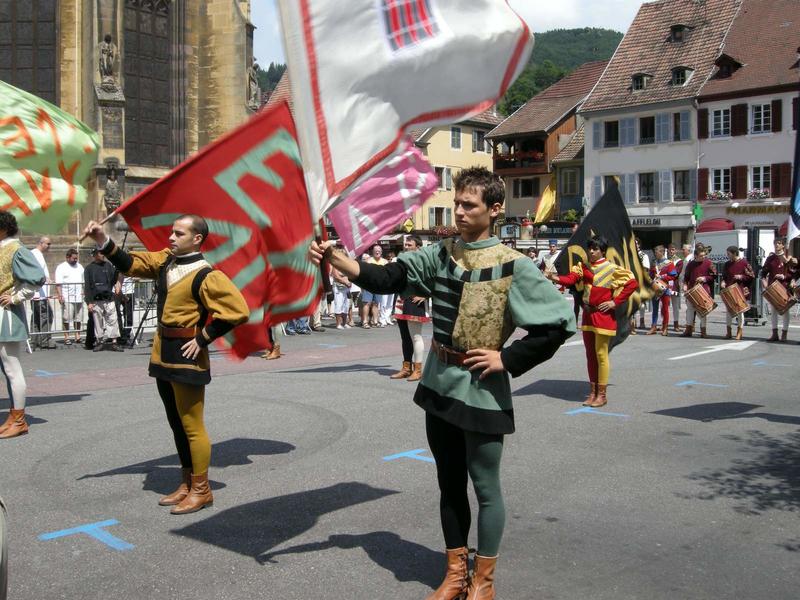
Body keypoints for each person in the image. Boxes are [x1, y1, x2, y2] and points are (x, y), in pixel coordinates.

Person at [310, 166, 575, 599]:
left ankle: (482, 583)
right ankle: (455, 573)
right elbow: (387, 278)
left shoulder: (515, 265)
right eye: (457, 203)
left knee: (485, 487)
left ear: (494, 209)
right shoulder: (441, 253)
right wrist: (338, 259)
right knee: (449, 483)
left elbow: (558, 326)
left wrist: (507, 358)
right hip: (439, 383)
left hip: (483, 390)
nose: (459, 211)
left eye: (469, 205)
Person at [83, 215, 249, 514]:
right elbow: (130, 263)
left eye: (178, 233)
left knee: (192, 425)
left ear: (197, 238)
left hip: (187, 354)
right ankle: (186, 483)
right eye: (172, 232)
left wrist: (203, 338)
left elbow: (237, 310)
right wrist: (101, 239)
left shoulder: (207, 274)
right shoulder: (165, 262)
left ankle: (202, 489)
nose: (170, 237)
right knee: (176, 423)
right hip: (162, 351)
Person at [549, 236, 638, 408]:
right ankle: (592, 392)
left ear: (602, 251)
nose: (591, 251)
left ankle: (602, 395)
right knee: (590, 355)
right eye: (590, 248)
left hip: (604, 316)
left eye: (595, 249)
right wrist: (552, 277)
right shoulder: (583, 266)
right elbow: (570, 280)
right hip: (588, 315)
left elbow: (632, 283)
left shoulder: (612, 268)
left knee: (601, 355)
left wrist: (614, 302)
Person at [0, 211, 46, 439]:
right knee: (7, 370)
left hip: (6, 316)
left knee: (12, 369)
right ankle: (13, 416)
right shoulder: (4, 247)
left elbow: (37, 277)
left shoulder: (16, 249)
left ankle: (18, 420)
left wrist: (16, 297)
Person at [388, 235, 430, 382]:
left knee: (416, 337)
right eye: (405, 244)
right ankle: (406, 368)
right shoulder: (401, 260)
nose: (406, 247)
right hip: (401, 300)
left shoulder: (424, 261)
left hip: (414, 301)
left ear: (418, 246)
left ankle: (418, 370)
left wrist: (426, 295)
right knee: (405, 337)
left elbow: (433, 278)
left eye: (410, 245)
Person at [84, 248, 124, 352]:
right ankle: (100, 341)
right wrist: (89, 302)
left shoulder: (108, 266)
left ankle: (114, 342)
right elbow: (87, 287)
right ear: (95, 255)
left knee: (112, 320)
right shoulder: (89, 268)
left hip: (109, 298)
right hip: (96, 300)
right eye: (101, 253)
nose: (103, 255)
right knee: (98, 322)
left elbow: (114, 279)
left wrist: (117, 275)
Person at [760, 237, 798, 342]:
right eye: (775, 243)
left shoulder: (788, 258)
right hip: (773, 287)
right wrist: (763, 280)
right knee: (774, 311)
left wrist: (785, 277)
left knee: (785, 311)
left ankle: (784, 334)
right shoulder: (770, 258)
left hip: (785, 287)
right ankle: (774, 333)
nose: (777, 245)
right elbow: (763, 272)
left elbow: (794, 273)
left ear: (783, 245)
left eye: (779, 243)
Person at [681, 243, 717, 339]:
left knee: (702, 311)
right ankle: (688, 329)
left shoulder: (708, 263)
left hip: (703, 290)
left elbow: (714, 276)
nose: (703, 257)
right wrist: (685, 285)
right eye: (701, 256)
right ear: (696, 256)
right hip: (692, 289)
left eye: (704, 255)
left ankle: (703, 331)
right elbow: (686, 277)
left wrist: (704, 278)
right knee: (690, 310)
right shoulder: (691, 264)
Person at [721, 246, 754, 340]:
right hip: (729, 290)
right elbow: (724, 276)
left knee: (740, 312)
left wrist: (741, 277)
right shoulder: (727, 264)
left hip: (740, 289)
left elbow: (751, 276)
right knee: (728, 311)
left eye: (729, 254)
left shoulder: (744, 263)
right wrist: (723, 281)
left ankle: (740, 331)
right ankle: (728, 332)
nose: (727, 256)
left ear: (735, 253)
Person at [55, 248, 85, 345]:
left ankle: (77, 336)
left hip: (78, 296)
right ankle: (67, 337)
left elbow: (83, 281)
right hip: (67, 296)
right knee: (66, 318)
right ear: (67, 257)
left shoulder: (80, 267)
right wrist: (60, 295)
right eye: (74, 258)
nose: (75, 260)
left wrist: (83, 291)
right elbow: (58, 283)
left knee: (78, 318)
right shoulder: (61, 267)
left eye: (76, 258)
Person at [30, 236, 55, 349]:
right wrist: (46, 278)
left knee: (36, 316)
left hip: (38, 293)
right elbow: (36, 270)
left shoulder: (35, 254)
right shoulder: (36, 254)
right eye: (48, 244)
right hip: (39, 293)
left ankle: (34, 340)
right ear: (41, 243)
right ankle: (44, 340)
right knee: (45, 315)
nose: (49, 246)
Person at [647, 245, 677, 336]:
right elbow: (651, 274)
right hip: (656, 288)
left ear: (661, 252)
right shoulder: (654, 263)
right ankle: (654, 326)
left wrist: (662, 277)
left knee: (665, 309)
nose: (655, 254)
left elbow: (673, 275)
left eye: (656, 253)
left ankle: (665, 328)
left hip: (665, 288)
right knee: (654, 308)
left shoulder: (669, 263)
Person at [360, 244, 388, 328]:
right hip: (369, 285)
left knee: (376, 304)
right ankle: (365, 322)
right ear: (373, 252)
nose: (377, 251)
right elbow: (363, 274)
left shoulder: (385, 262)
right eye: (376, 250)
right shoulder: (368, 261)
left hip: (379, 286)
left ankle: (375, 321)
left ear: (381, 252)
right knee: (367, 303)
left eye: (379, 250)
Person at [630, 238, 650, 333]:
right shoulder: (629, 254)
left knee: (641, 304)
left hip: (640, 281)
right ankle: (632, 324)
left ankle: (642, 321)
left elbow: (646, 269)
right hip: (631, 281)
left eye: (637, 243)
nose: (635, 245)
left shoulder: (643, 255)